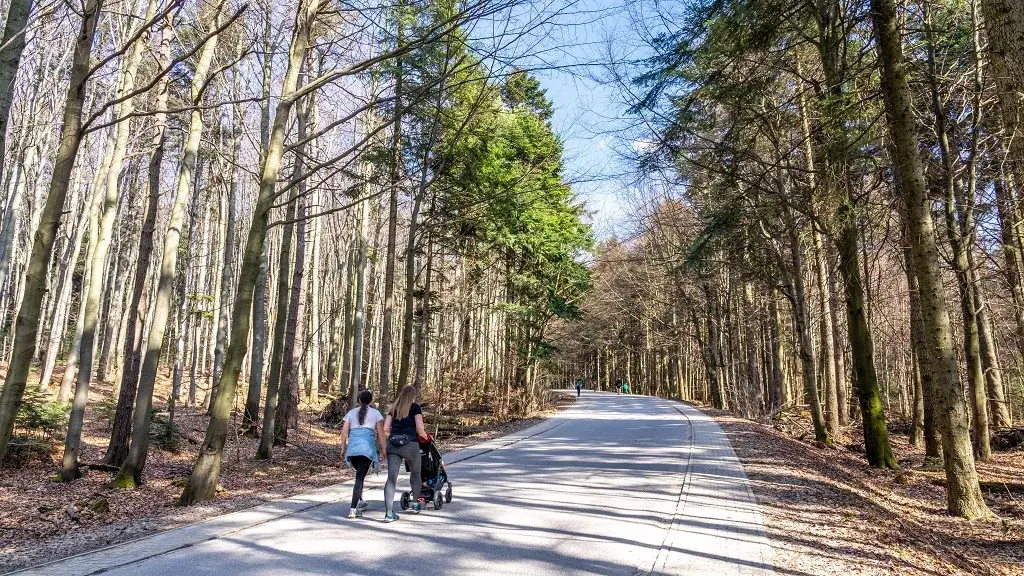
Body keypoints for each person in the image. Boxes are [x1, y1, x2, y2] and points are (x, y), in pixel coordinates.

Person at [382, 385, 428, 522]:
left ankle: (389, 513)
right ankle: (415, 503)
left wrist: (395, 435)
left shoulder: (393, 408)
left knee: (391, 478)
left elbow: (385, 428)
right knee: (416, 473)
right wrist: (424, 435)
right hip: (410, 444)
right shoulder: (415, 407)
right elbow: (419, 427)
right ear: (413, 396)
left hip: (393, 445)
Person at [339, 390, 386, 519]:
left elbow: (344, 433)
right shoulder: (376, 414)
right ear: (371, 401)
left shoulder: (351, 413)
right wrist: (383, 449)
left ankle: (360, 500)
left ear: (359, 400)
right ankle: (353, 509)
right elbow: (381, 434)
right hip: (366, 450)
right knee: (359, 478)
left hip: (353, 450)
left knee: (360, 476)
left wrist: (343, 448)